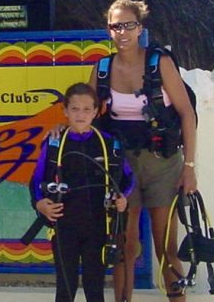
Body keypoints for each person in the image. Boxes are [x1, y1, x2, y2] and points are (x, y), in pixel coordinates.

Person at [50, 0, 197, 302]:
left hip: (163, 163)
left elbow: (186, 114)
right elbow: (85, 111)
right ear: (109, 30)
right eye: (116, 26)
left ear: (140, 28)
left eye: (129, 25)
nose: (123, 32)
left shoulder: (160, 63)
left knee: (165, 246)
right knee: (122, 245)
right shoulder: (102, 69)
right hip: (122, 168)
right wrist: (62, 130)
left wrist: (190, 168)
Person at [29, 82, 134, 302]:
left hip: (97, 225)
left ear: (96, 112)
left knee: (94, 287)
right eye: (75, 109)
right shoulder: (55, 143)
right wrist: (39, 204)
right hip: (63, 226)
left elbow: (128, 178)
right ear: (65, 110)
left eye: (87, 109)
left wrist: (123, 198)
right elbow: (36, 180)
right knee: (66, 288)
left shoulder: (108, 144)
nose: (80, 114)